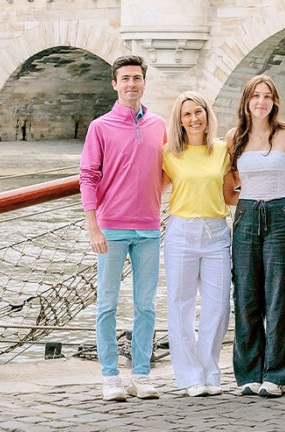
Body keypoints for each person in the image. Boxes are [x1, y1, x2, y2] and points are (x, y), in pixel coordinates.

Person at [79, 55, 166, 402]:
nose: (131, 84)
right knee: (107, 305)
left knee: (145, 305)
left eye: (137, 78)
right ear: (115, 84)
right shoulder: (100, 127)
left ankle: (141, 375)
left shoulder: (160, 125)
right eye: (125, 78)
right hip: (111, 228)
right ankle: (111, 376)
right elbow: (88, 177)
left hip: (149, 227)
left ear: (144, 82)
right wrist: (93, 228)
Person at [226, 75, 285, 398]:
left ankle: (277, 373)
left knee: (281, 296)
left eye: (267, 96)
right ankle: (248, 374)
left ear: (275, 101)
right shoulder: (234, 138)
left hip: (281, 214)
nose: (261, 101)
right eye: (255, 95)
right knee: (246, 295)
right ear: (246, 100)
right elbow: (229, 190)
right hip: (245, 216)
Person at [162, 91, 238, 397]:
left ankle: (209, 370)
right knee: (180, 305)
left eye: (198, 112)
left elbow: (231, 194)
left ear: (207, 115)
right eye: (186, 115)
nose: (194, 119)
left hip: (217, 231)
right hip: (181, 232)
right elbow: (151, 189)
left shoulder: (222, 151)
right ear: (179, 122)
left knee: (218, 306)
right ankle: (190, 375)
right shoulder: (168, 154)